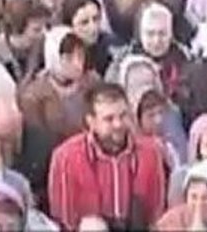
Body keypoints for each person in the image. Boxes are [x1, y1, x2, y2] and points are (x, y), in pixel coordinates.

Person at [47, 81, 166, 230]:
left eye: (123, 116)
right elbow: (63, 220)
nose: (118, 124)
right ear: (91, 122)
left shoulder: (150, 153)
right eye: (109, 119)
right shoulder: (66, 158)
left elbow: (156, 214)